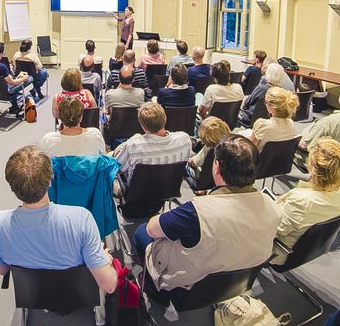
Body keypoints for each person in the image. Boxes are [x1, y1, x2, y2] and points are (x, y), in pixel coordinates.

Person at [135, 135, 280, 306]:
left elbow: (152, 229)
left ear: (216, 167)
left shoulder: (197, 211)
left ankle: (159, 291)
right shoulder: (273, 205)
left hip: (187, 290)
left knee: (141, 232)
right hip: (237, 283)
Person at [0, 146, 117, 325]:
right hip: (77, 296)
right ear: (50, 180)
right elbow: (109, 285)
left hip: (33, 297)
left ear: (12, 186)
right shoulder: (81, 218)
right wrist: (104, 258)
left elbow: (2, 269)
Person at [272, 138, 340, 265]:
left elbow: (273, 231)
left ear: (312, 167)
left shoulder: (301, 201)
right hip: (305, 250)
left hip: (279, 251)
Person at [112, 103, 192, 194]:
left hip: (137, 195)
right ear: (165, 119)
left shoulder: (134, 144)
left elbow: (117, 169)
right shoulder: (184, 139)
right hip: (168, 190)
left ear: (142, 126)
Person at [38, 98, 104, 156]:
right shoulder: (95, 134)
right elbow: (103, 157)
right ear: (81, 117)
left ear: (60, 117)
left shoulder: (48, 140)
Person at [0, 42, 31, 115]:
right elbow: (12, 82)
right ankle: (15, 107)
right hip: (5, 93)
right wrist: (24, 78)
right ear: (1, 54)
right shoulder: (2, 67)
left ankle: (14, 106)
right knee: (30, 79)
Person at [238, 62, 288, 127]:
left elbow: (246, 103)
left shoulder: (261, 88)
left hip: (251, 118)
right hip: (269, 120)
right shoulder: (281, 91)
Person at [250, 86, 299, 151]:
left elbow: (249, 149)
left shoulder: (262, 125)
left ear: (272, 108)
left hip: (258, 160)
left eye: (265, 102)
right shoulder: (291, 124)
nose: (265, 104)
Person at [187, 116, 230, 181]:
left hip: (206, 178)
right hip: (225, 176)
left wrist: (189, 159)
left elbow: (195, 163)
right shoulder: (233, 144)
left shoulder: (208, 150)